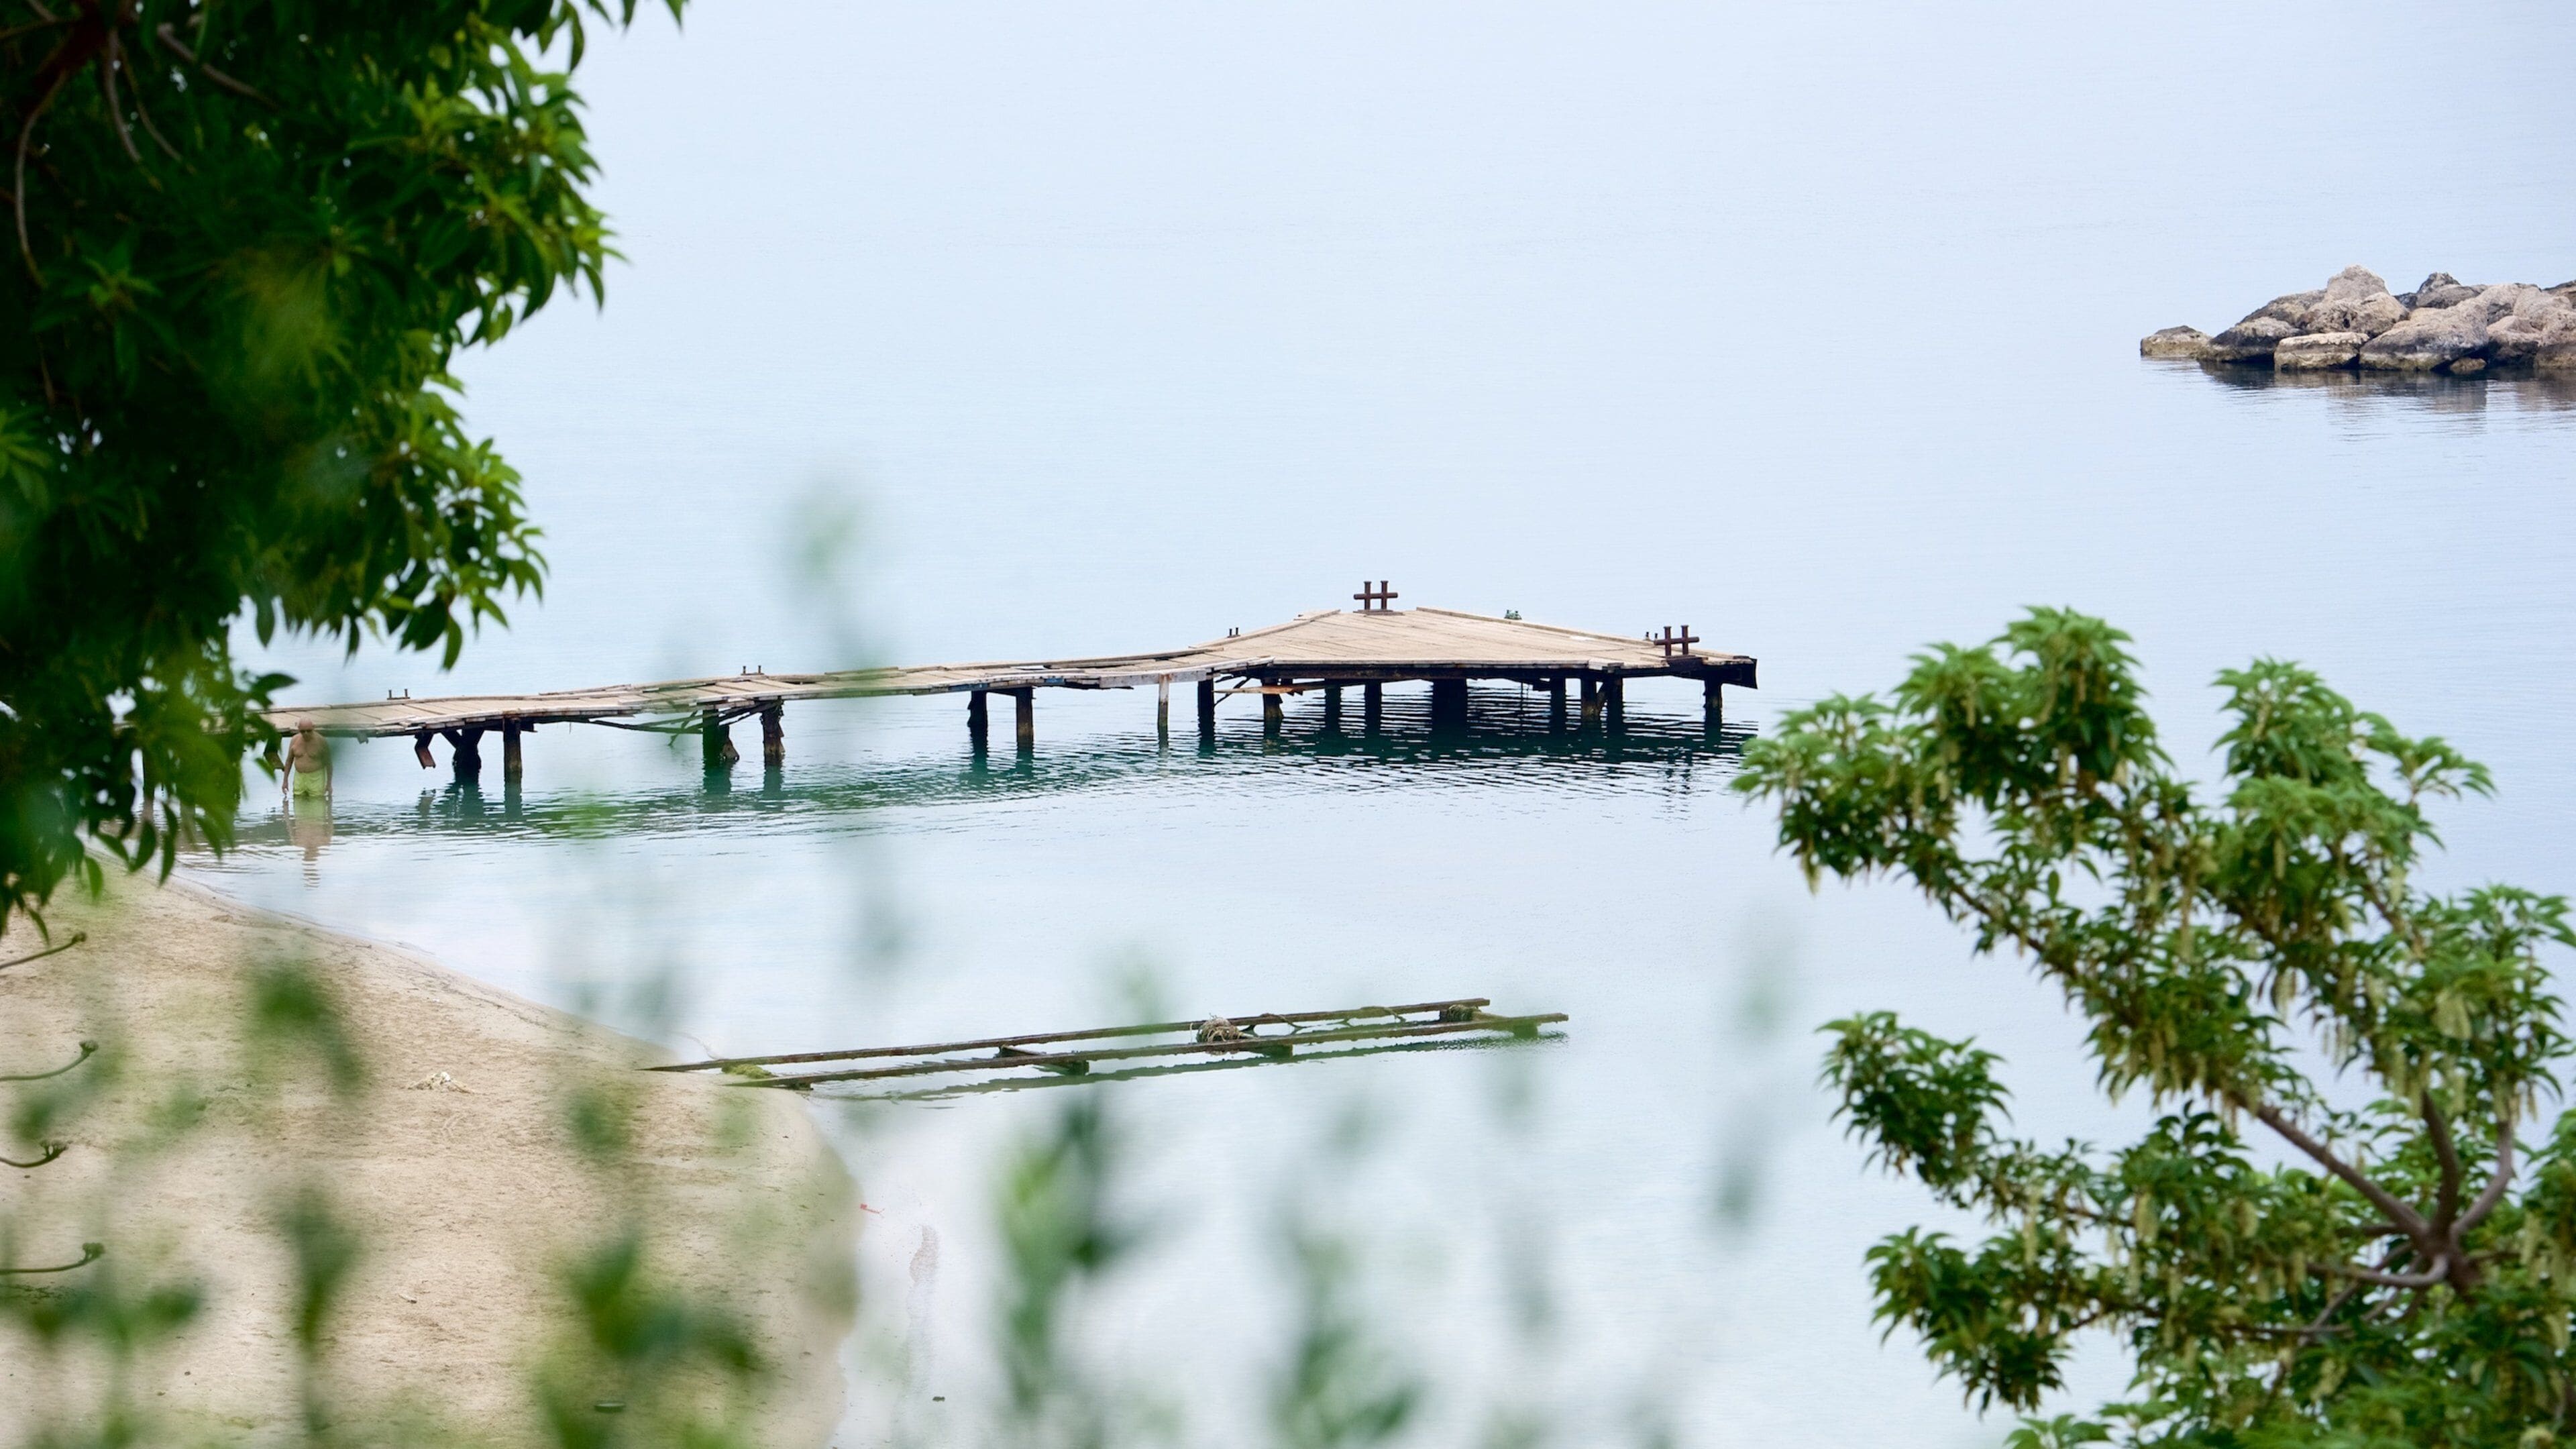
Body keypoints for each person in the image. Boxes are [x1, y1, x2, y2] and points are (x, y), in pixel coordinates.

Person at [282, 718, 333, 802]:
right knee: (298, 800)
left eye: (309, 731)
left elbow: (329, 764)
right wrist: (285, 781)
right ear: (299, 729)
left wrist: (329, 784)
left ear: (313, 728)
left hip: (316, 778)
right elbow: (289, 761)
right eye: (303, 731)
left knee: (317, 802)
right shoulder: (294, 740)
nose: (306, 734)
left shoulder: (321, 741)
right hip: (299, 777)